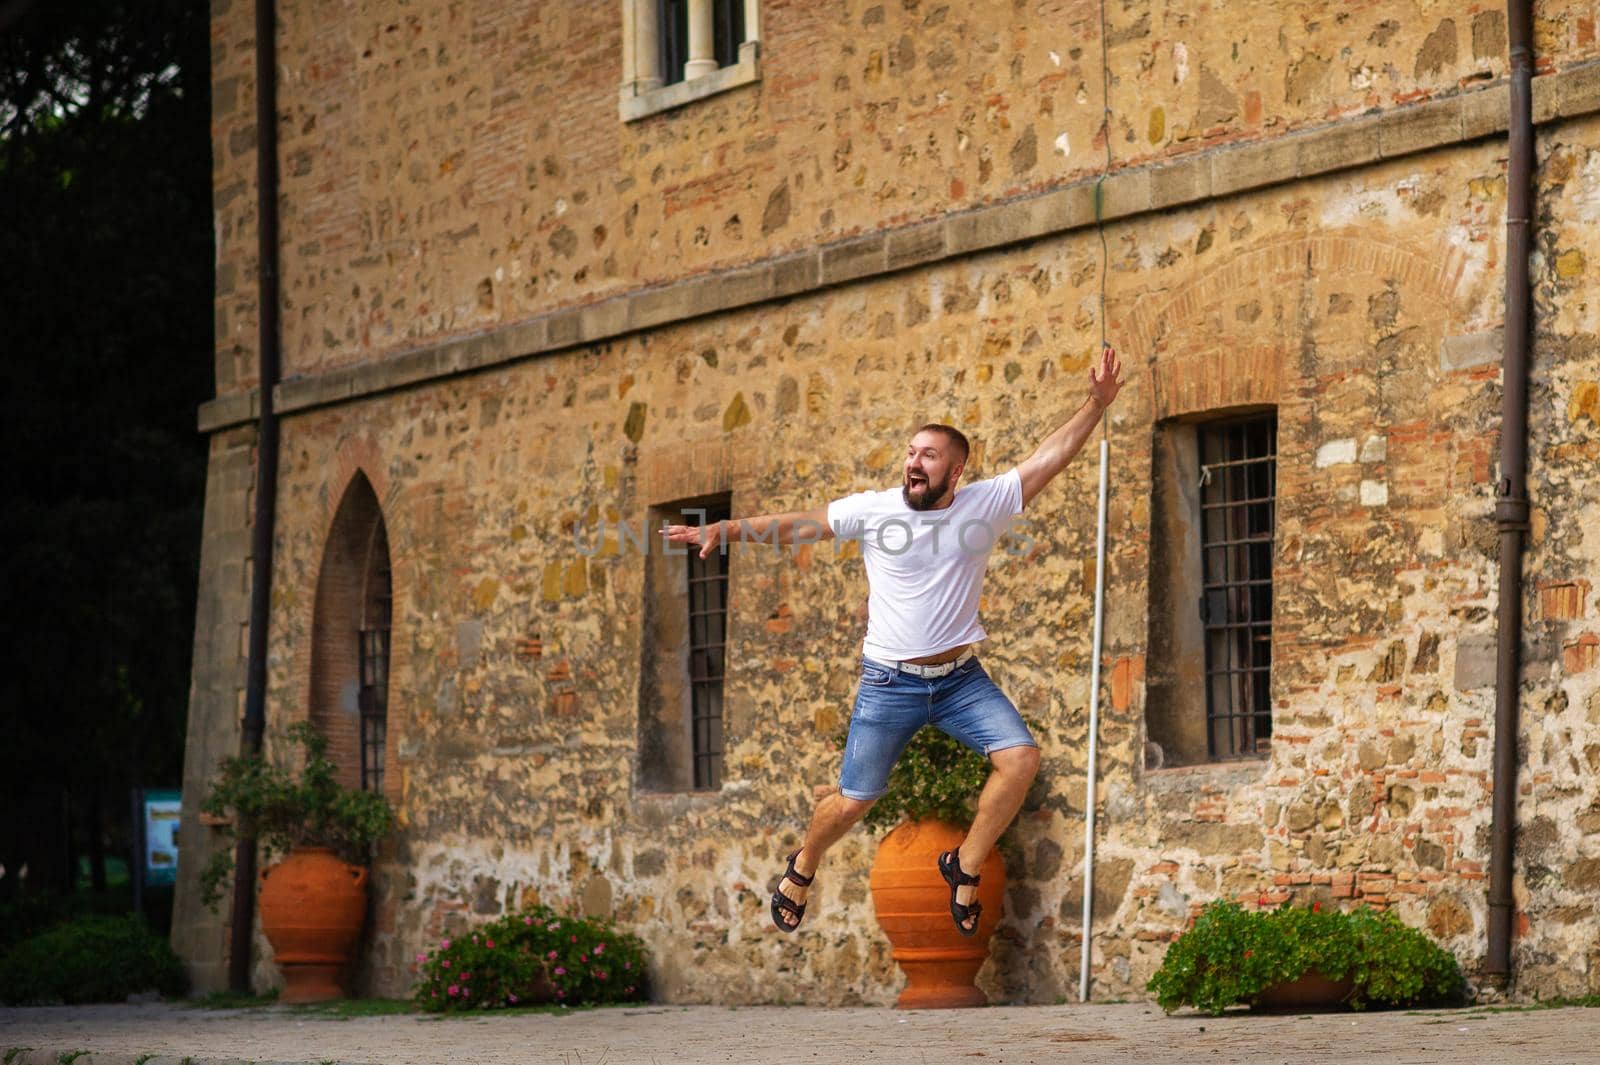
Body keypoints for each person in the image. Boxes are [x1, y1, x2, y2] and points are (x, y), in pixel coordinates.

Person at [661, 344, 1123, 936]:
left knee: (1021, 758)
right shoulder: (877, 512)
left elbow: (1051, 456)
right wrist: (723, 530)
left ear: (956, 471)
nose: (914, 462)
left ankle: (964, 863)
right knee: (854, 801)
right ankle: (803, 864)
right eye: (910, 452)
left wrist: (1096, 402)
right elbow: (797, 525)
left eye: (928, 455)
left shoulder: (988, 502)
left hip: (959, 679)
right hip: (889, 683)